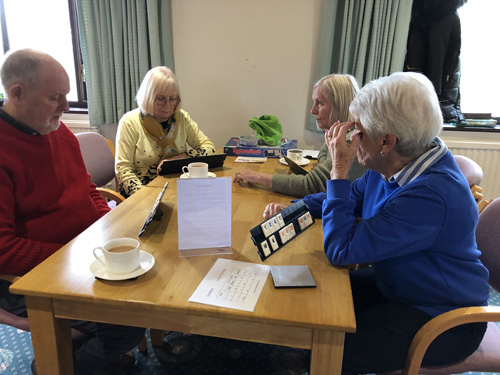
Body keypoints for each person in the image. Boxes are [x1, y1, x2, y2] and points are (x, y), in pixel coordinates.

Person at [262, 72, 489, 374]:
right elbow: (350, 199)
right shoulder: (397, 161)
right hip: (398, 283)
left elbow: (342, 249)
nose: (349, 137)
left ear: (386, 141)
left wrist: (339, 170)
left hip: (441, 316)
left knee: (328, 353)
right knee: (313, 301)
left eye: (357, 130)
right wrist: (294, 211)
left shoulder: (431, 195)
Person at [0, 49, 145, 375]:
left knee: (147, 286)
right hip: (32, 278)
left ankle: (83, 347)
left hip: (82, 259)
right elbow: (3, 249)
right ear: (17, 94)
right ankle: (59, 366)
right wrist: (77, 260)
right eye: (55, 97)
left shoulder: (58, 132)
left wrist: (108, 230)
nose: (66, 107)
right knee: (130, 321)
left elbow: (87, 190)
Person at [233, 74, 366, 197]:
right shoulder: (340, 134)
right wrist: (325, 163)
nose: (313, 110)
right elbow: (324, 151)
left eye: (320, 103)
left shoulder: (351, 141)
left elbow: (310, 185)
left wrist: (256, 177)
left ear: (340, 105)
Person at [116, 66, 216, 197]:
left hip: (177, 189)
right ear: (148, 97)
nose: (168, 106)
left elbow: (209, 148)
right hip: (142, 192)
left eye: (172, 99)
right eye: (161, 99)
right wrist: (146, 198)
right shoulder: (130, 122)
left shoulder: (181, 117)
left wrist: (180, 158)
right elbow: (123, 170)